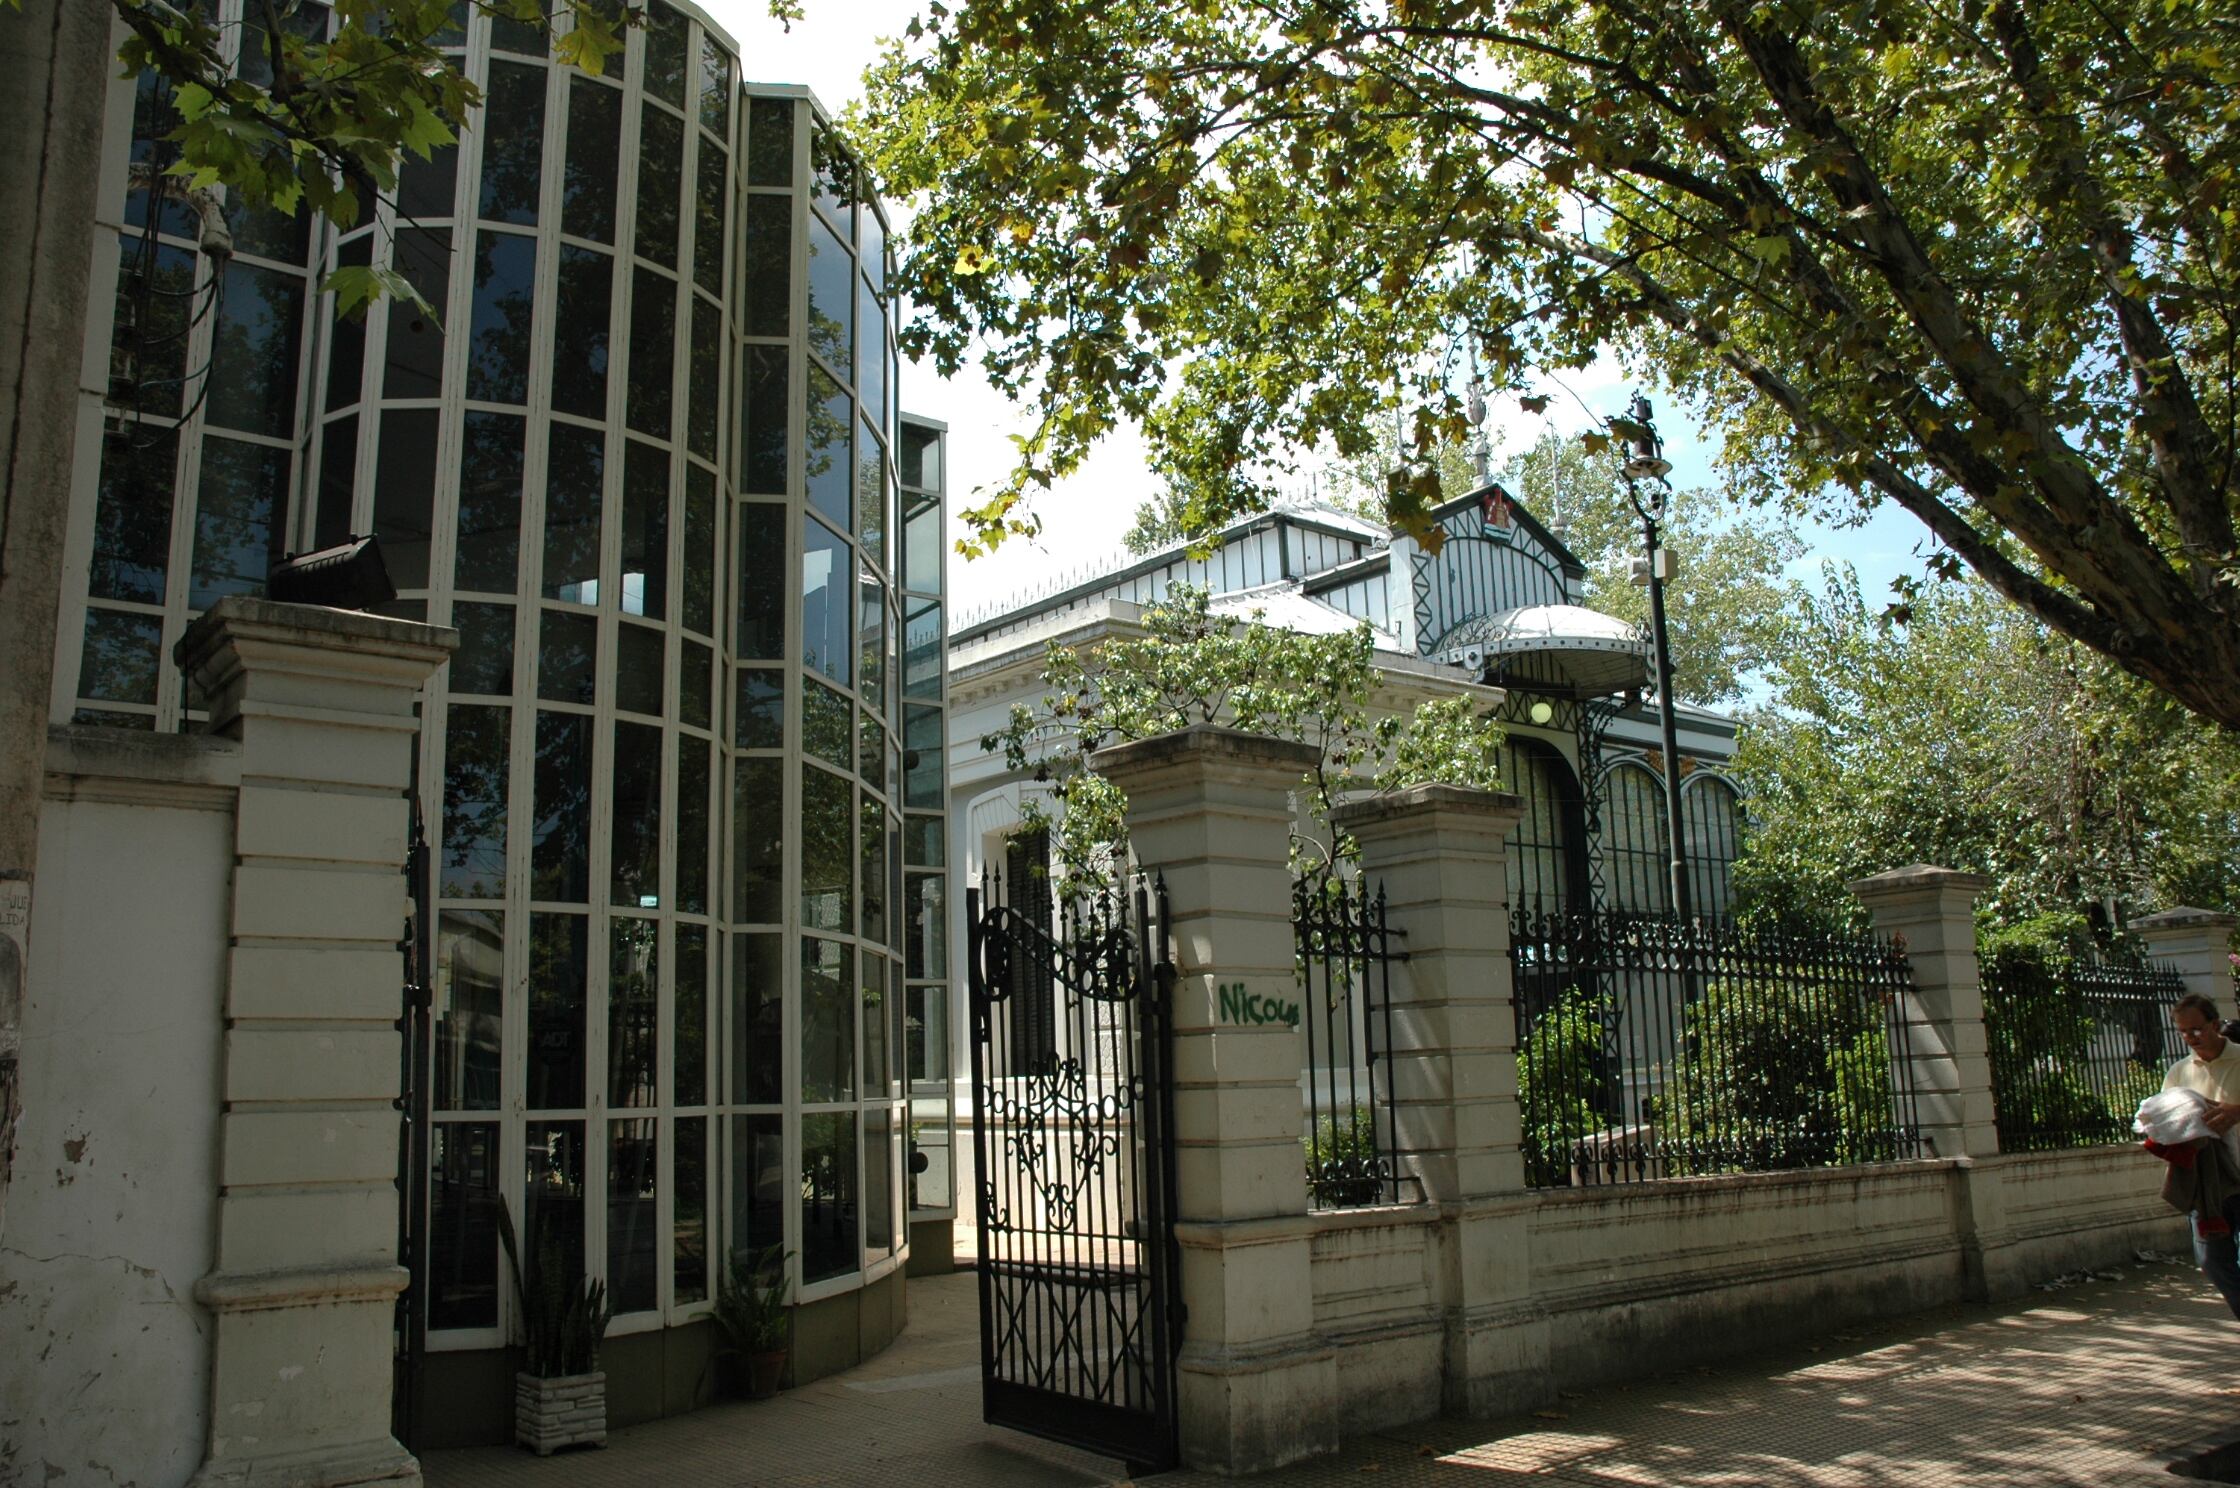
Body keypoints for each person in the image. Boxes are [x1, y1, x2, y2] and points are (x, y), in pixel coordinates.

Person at [2165, 993, 2240, 1317]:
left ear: (2215, 1024)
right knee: (2212, 1262)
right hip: (2209, 1182)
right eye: (2183, 1032)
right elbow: (2166, 1115)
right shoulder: (2180, 1072)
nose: (2191, 1038)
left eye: (2196, 1029)